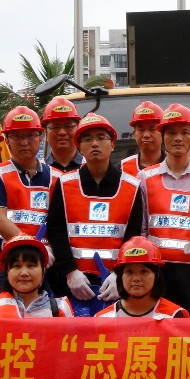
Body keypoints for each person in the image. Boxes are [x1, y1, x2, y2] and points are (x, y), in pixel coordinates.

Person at [46, 112, 144, 303]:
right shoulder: (64, 184)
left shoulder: (132, 186)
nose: (95, 144)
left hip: (116, 284)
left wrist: (120, 273)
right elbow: (56, 231)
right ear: (79, 146)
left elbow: (134, 235)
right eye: (88, 139)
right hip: (73, 284)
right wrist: (70, 272)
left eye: (101, 137)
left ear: (112, 144)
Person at [138, 104, 190, 313]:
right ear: (162, 136)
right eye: (171, 133)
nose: (178, 139)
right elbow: (141, 230)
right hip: (155, 273)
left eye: (184, 133)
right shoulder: (145, 178)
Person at [0, 106, 61, 299]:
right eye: (16, 136)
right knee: (2, 314)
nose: (24, 142)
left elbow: (61, 223)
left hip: (46, 264)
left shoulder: (57, 177)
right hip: (6, 264)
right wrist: (35, 249)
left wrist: (47, 252)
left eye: (30, 136)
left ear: (40, 138)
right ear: (7, 140)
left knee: (45, 315)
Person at [0, 234, 74, 319]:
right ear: (6, 272)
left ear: (43, 270)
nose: (24, 273)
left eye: (31, 266)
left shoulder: (60, 308)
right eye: (17, 266)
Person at [97, 237, 190, 319]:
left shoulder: (175, 315)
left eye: (144, 271)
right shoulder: (103, 318)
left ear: (156, 275)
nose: (136, 278)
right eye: (129, 272)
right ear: (120, 276)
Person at [121, 100, 165, 175]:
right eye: (141, 129)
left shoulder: (175, 168)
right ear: (134, 134)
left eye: (152, 129)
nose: (146, 135)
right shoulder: (121, 169)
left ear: (163, 133)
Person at [42, 95, 85, 172]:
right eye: (55, 127)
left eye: (68, 126)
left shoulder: (91, 167)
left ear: (78, 129)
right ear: (46, 132)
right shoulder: (37, 171)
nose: (62, 132)